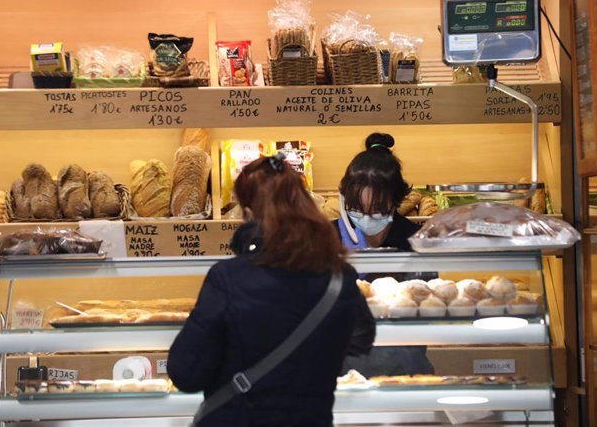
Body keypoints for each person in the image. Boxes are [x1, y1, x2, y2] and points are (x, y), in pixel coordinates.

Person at [168, 154, 376, 427]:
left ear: (250, 216)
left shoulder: (229, 278)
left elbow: (186, 373)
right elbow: (361, 338)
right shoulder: (339, 278)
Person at [336, 132, 435, 376]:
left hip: (404, 375)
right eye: (357, 209)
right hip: (338, 379)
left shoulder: (416, 241)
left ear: (395, 202)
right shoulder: (326, 238)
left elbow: (424, 314)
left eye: (377, 210)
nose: (367, 218)